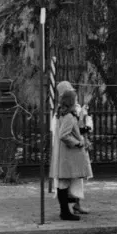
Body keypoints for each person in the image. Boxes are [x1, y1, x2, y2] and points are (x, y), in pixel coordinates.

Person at [49, 81, 93, 221]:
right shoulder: (68, 116)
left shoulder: (61, 113)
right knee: (63, 183)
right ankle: (65, 212)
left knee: (64, 182)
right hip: (67, 154)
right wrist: (78, 143)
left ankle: (67, 210)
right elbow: (64, 135)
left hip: (63, 153)